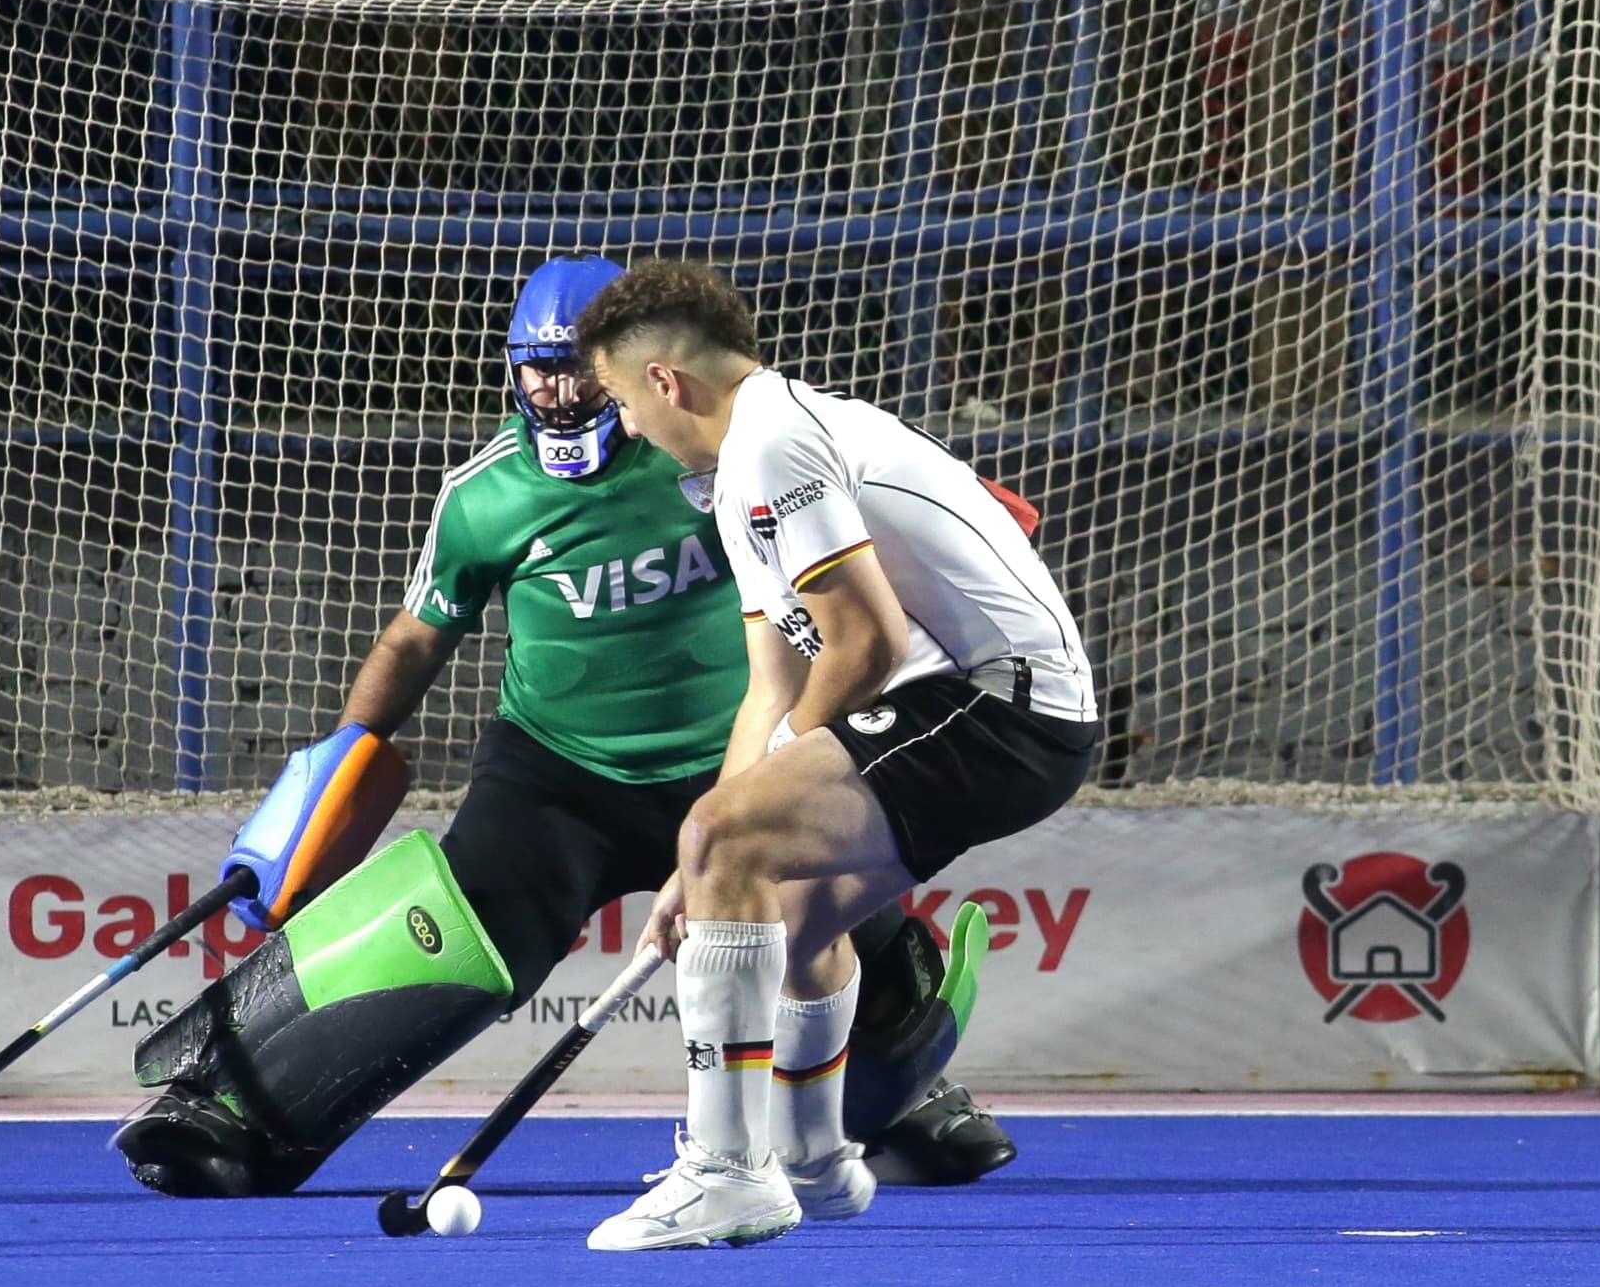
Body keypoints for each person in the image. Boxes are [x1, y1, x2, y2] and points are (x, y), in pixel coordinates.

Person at [115, 258, 1017, 1199]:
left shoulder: (705, 450)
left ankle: (899, 1101)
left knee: (839, 907)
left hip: (736, 755)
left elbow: (853, 528)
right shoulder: (485, 495)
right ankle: (226, 1107)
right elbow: (417, 640)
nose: (557, 388)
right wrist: (339, 762)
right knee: (446, 929)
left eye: (577, 368)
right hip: (559, 778)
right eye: (536, 367)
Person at [575, 261, 1103, 1253]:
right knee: (779, 899)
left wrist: (721, 835)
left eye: (618, 400)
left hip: (1004, 707)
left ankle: (726, 1172)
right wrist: (699, 864)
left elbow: (865, 642)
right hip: (996, 712)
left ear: (663, 381)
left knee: (728, 840)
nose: (625, 428)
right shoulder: (744, 466)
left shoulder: (776, 443)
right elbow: (770, 683)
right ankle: (814, 1160)